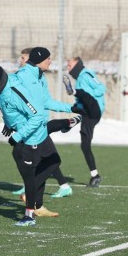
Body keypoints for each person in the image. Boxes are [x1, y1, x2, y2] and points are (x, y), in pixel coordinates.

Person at [0, 65, 62, 226]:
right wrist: (9, 124)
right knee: (36, 170)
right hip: (29, 134)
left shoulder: (16, 89)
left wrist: (19, 134)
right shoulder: (4, 88)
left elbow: (36, 114)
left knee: (49, 164)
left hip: (32, 133)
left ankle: (30, 210)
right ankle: (34, 207)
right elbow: (10, 111)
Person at [12, 47, 81, 199]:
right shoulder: (22, 76)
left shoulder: (40, 76)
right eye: (48, 59)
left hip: (40, 128)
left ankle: (36, 202)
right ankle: (31, 198)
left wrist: (71, 107)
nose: (50, 61)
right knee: (47, 161)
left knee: (49, 161)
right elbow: (10, 98)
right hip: (29, 129)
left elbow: (46, 101)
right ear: (39, 60)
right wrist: (10, 121)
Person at [64, 56, 106, 187]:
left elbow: (101, 88)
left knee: (86, 96)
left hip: (95, 109)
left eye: (69, 65)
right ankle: (95, 176)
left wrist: (86, 95)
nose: (67, 67)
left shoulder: (86, 74)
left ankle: (74, 92)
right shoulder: (78, 80)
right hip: (88, 114)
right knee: (84, 145)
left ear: (77, 64)